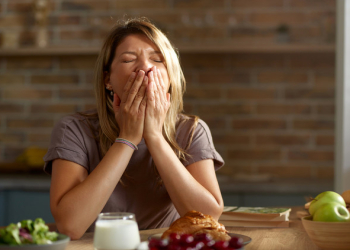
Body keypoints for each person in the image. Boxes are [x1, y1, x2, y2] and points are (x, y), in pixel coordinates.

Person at [43, 17, 225, 240]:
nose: (146, 67)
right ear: (107, 80)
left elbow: (209, 219)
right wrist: (127, 139)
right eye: (129, 60)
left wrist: (155, 137)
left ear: (170, 76)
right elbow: (70, 226)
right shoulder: (73, 130)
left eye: (157, 60)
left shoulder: (192, 130)